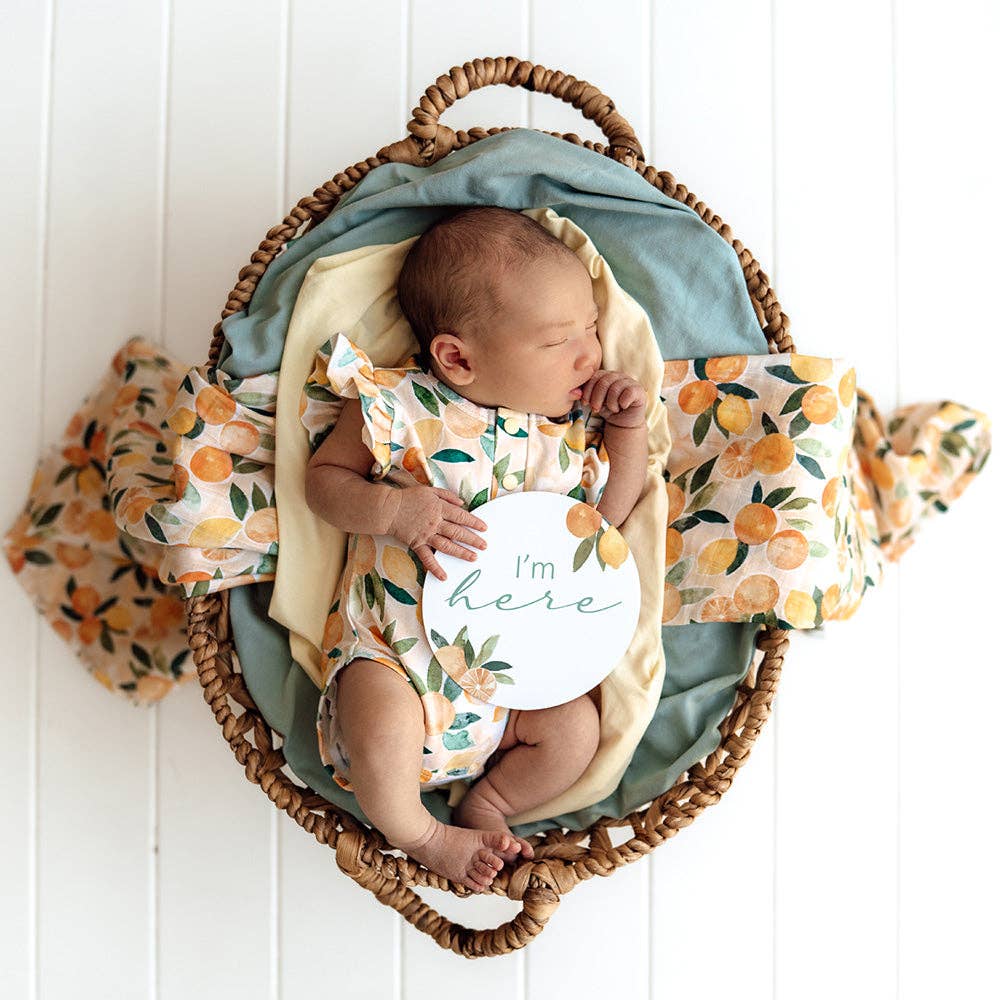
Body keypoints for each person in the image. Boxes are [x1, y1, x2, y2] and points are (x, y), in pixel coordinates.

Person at [303, 206, 648, 892]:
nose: (590, 354)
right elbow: (324, 483)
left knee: (575, 730)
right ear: (458, 358)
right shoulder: (401, 406)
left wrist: (628, 429)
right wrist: (392, 510)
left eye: (590, 328)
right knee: (381, 716)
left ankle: (488, 802)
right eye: (559, 341)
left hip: (507, 698)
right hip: (396, 662)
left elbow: (606, 526)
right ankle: (421, 833)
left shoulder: (564, 441)